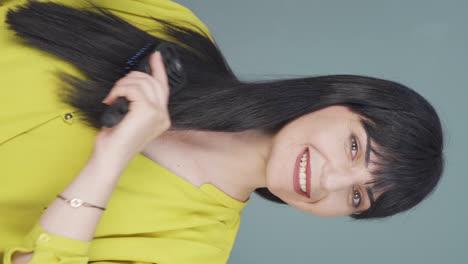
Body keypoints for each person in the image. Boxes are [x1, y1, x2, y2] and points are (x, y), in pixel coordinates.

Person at [0, 0, 445, 263]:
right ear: (337, 99)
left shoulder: (194, 248)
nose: (329, 183)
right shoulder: (177, 29)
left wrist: (110, 161)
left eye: (356, 198)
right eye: (354, 147)